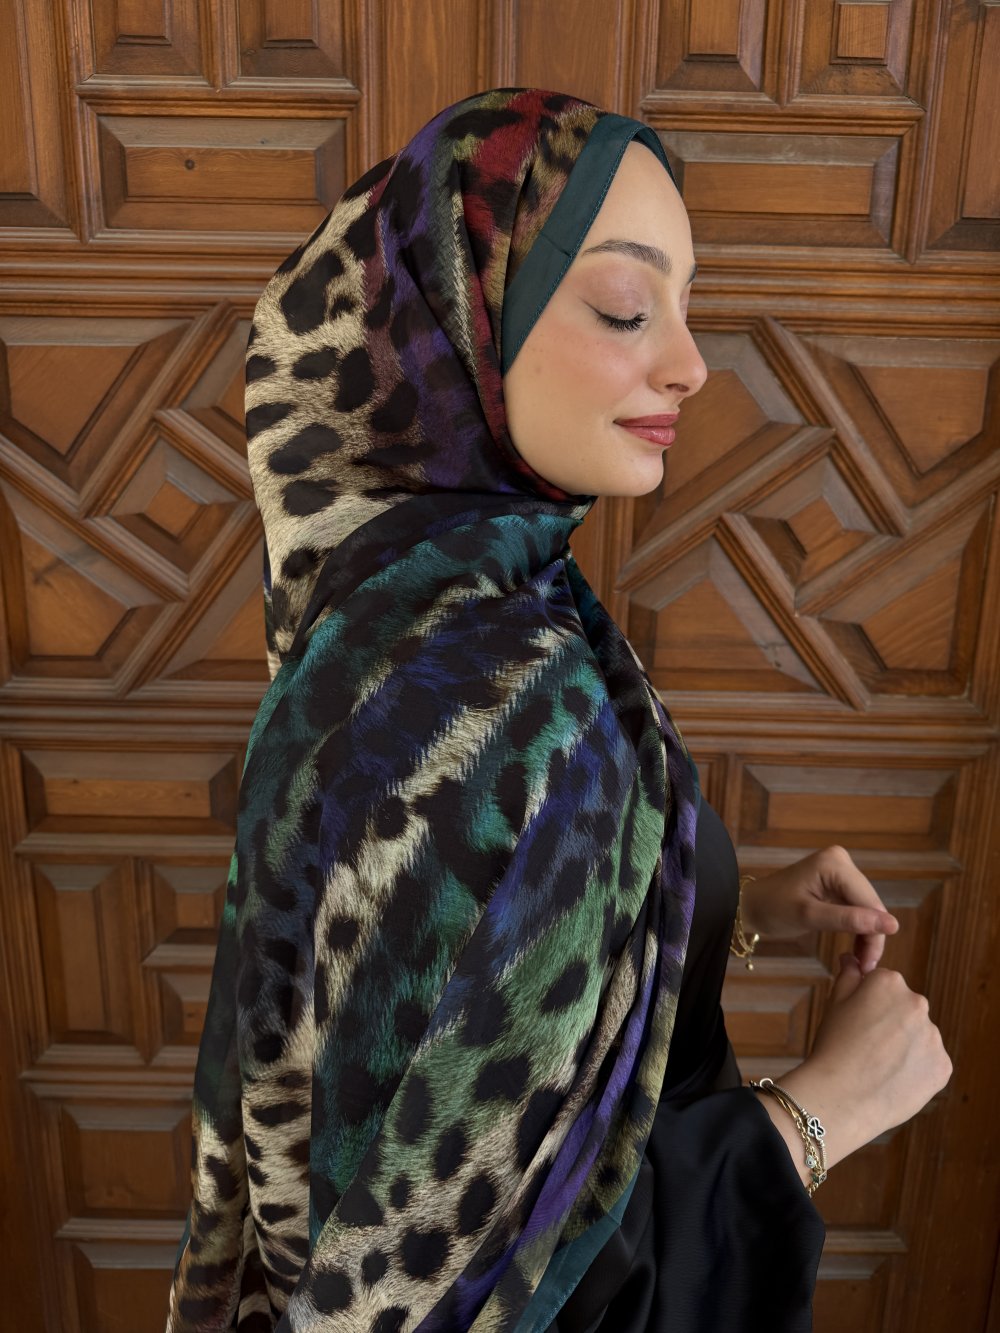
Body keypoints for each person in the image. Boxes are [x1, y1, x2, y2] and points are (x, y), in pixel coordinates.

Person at [166, 88, 951, 1333]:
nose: (690, 363)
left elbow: (497, 966)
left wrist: (726, 903)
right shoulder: (490, 698)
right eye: (628, 307)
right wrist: (822, 1111)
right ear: (457, 329)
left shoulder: (432, 595)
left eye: (685, 304)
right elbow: (483, 1293)